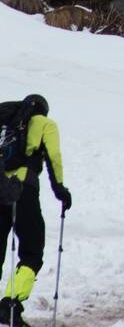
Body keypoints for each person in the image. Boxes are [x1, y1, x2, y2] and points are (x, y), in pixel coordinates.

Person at [0, 96, 70, 325]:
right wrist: (60, 189)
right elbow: (54, 156)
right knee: (32, 250)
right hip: (22, 190)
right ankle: (10, 303)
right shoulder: (44, 123)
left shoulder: (5, 126)